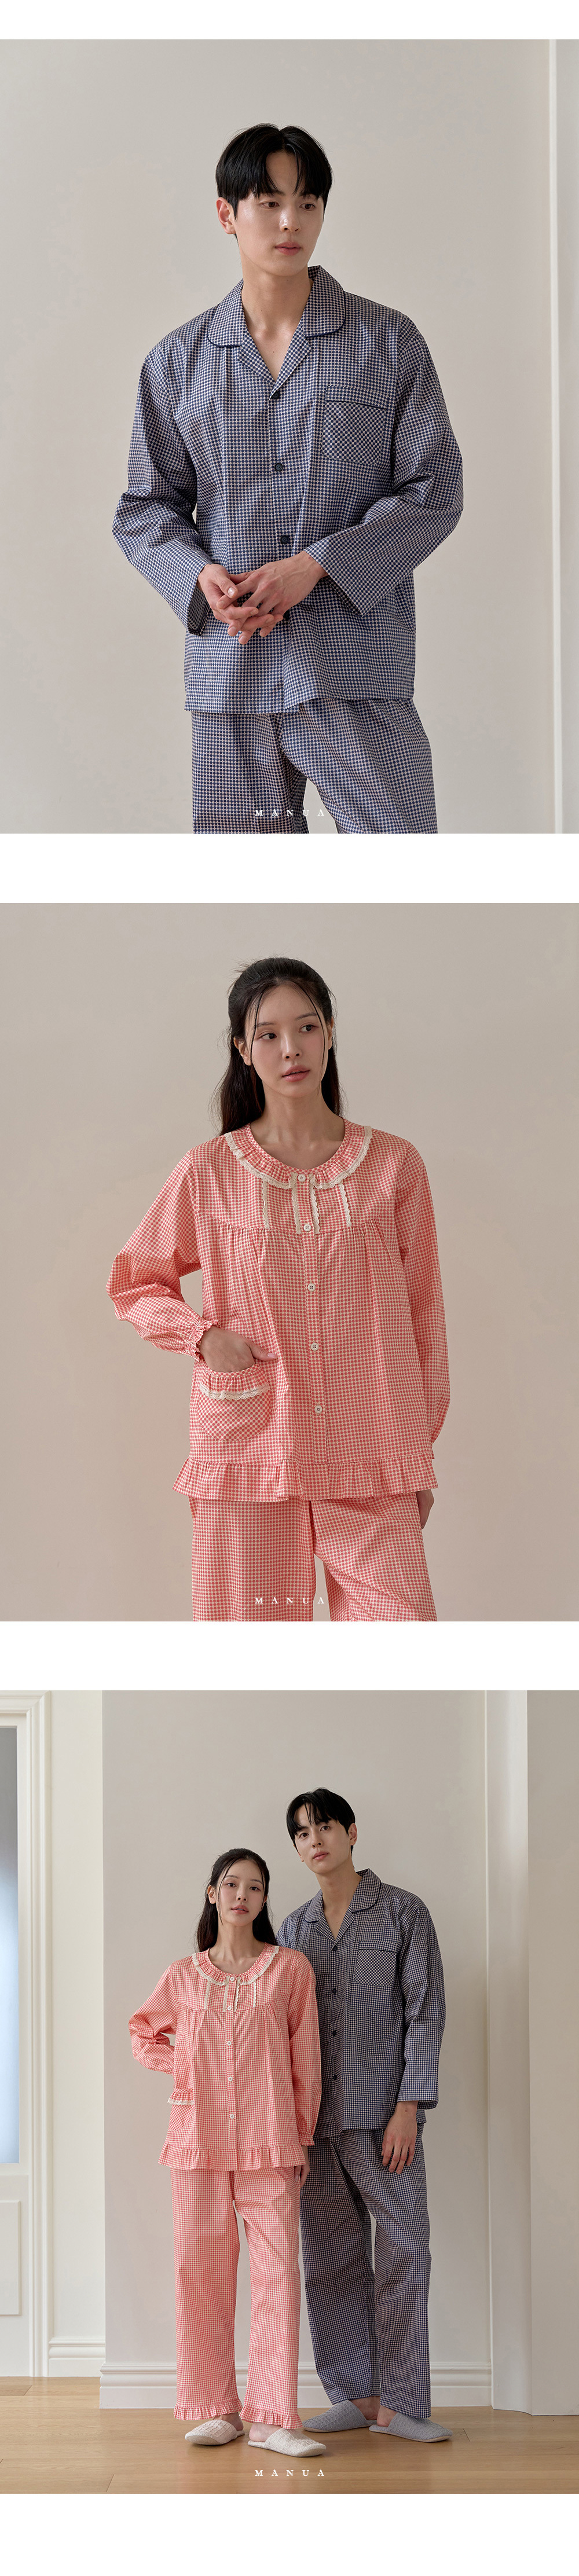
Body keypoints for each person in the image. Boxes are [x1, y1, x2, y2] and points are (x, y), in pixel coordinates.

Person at [113, 122, 463, 835]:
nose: (289, 222)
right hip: (231, 671)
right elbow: (146, 507)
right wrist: (199, 579)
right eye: (269, 202)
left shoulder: (387, 343)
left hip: (353, 665)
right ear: (227, 213)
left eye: (307, 203)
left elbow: (434, 489)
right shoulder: (177, 362)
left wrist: (315, 567)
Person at [107, 954, 449, 1622]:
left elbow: (424, 1320)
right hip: (251, 1450)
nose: (291, 1048)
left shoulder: (394, 1167)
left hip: (372, 1450)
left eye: (307, 1027)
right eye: (268, 1034)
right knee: (252, 1653)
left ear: (330, 1033)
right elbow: (135, 1281)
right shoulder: (208, 1172)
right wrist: (201, 1336)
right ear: (243, 1049)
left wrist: (416, 1458)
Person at [129, 1845, 324, 2457]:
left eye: (255, 1887)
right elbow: (142, 2030)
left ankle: (272, 2418)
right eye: (232, 1884)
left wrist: (302, 2135)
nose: (242, 1895)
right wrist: (182, 2066)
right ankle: (219, 2410)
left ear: (264, 1900)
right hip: (197, 2144)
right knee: (201, 2275)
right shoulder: (183, 1976)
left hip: (271, 2142)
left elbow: (306, 2058)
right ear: (212, 1893)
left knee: (277, 2277)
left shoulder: (289, 1969)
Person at [277, 1785, 450, 2443]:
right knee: (330, 2258)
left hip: (384, 2118)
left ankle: (403, 2406)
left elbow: (424, 2014)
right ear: (297, 1849)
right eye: (302, 1833)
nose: (315, 1840)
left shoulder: (404, 1913)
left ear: (351, 1832)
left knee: (406, 2249)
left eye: (325, 1826)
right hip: (314, 2125)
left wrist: (410, 2106)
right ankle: (358, 2396)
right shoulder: (293, 1931)